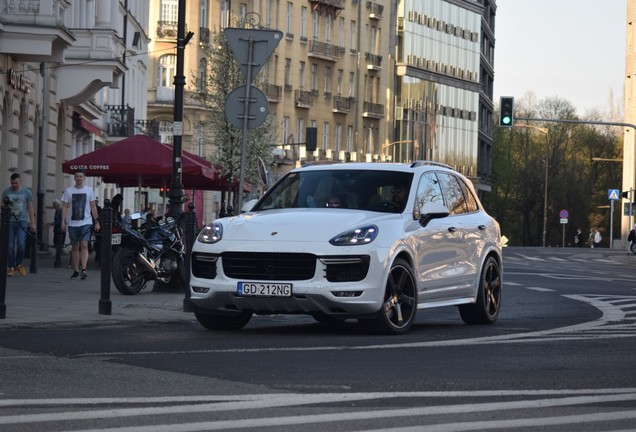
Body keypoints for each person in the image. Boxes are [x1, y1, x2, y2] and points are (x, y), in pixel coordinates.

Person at [60, 170, 100, 280]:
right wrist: (63, 221)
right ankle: (76, 270)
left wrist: (96, 221)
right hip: (72, 223)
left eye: (80, 176)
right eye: (77, 176)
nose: (78, 178)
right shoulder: (68, 191)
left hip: (86, 222)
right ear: (74, 178)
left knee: (84, 245)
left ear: (84, 178)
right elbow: (64, 206)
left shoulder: (89, 191)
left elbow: (93, 207)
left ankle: (84, 269)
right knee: (75, 246)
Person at [2, 173, 36, 277]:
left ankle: (19, 264)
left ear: (20, 181)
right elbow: (2, 205)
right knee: (10, 245)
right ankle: (11, 267)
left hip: (22, 222)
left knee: (21, 244)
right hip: (10, 222)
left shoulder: (26, 192)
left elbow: (30, 208)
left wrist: (33, 223)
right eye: (12, 183)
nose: (14, 185)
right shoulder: (6, 192)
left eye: (16, 183)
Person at [51, 199, 65, 268]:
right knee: (57, 246)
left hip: (60, 230)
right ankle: (57, 261)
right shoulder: (57, 211)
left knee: (59, 246)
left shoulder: (61, 211)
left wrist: (54, 223)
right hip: (56, 230)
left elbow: (61, 221)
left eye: (54, 205)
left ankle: (58, 261)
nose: (54, 207)